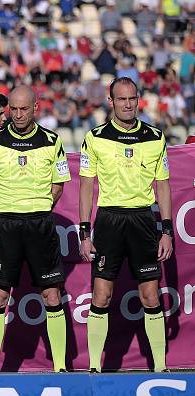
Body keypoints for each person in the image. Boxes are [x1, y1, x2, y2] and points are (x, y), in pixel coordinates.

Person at [79, 77, 173, 373]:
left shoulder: (156, 137)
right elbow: (85, 186)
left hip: (143, 220)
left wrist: (167, 230)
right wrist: (84, 231)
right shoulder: (95, 137)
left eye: (132, 98)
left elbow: (164, 185)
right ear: (111, 102)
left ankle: (160, 368)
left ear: (138, 99)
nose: (128, 104)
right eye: (121, 99)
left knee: (150, 295)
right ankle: (94, 367)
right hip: (109, 220)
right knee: (101, 296)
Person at [0, 86, 71, 373]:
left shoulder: (52, 141)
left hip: (40, 223)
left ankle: (61, 368)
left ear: (35, 108)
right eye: (12, 110)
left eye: (23, 109)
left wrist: (38, 207)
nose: (17, 115)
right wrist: (7, 208)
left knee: (51, 295)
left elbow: (58, 185)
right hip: (7, 225)